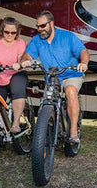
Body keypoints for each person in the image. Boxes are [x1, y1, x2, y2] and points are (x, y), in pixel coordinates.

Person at [21, 10, 90, 148]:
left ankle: (73, 132)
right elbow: (27, 55)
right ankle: (49, 131)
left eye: (43, 26)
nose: (40, 29)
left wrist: (84, 63)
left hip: (71, 74)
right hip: (52, 77)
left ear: (51, 23)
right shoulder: (37, 40)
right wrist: (26, 61)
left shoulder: (67, 36)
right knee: (46, 102)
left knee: (70, 91)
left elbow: (83, 51)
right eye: (38, 26)